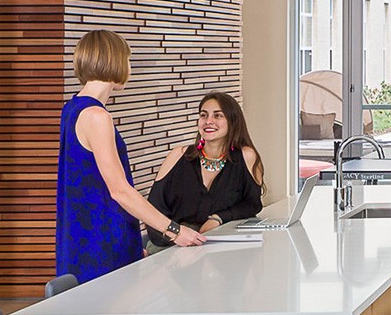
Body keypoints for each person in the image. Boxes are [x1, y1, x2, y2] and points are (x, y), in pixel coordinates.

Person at [58, 30, 202, 284]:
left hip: (86, 236)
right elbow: (119, 190)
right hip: (101, 241)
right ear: (114, 61)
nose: (129, 67)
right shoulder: (96, 116)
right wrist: (174, 231)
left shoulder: (72, 108)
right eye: (127, 60)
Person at [145, 92, 265, 250]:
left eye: (218, 116)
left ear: (233, 121)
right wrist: (175, 238)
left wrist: (218, 218)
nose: (209, 121)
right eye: (203, 115)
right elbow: (153, 209)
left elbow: (252, 204)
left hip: (220, 245)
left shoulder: (246, 156)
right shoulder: (178, 155)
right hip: (173, 243)